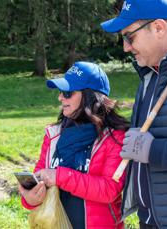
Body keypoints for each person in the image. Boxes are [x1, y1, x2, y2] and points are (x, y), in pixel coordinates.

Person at [101, 0, 167, 228]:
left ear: (159, 28)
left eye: (129, 37)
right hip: (150, 220)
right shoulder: (150, 74)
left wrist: (153, 150)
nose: (125, 47)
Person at [19, 61, 129, 229]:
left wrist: (59, 176)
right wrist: (30, 198)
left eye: (67, 92)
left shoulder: (115, 138)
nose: (60, 97)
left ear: (89, 97)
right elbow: (39, 179)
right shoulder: (53, 135)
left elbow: (109, 189)